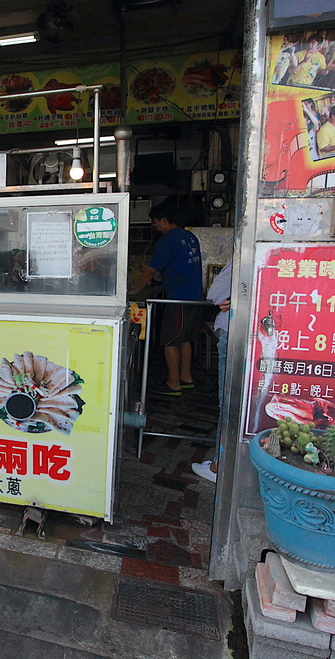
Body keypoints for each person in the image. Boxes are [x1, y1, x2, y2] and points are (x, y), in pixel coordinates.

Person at [129, 198, 203, 396]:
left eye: (155, 223)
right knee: (185, 339)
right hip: (195, 297)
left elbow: (150, 270)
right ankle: (186, 378)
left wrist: (135, 290)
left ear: (163, 220)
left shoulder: (168, 240)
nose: (155, 227)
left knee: (170, 341)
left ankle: (173, 383)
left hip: (177, 299)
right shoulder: (190, 237)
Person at [192, 261, 232, 484]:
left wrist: (235, 299)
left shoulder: (243, 259)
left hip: (235, 331)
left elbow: (215, 293)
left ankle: (219, 466)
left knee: (228, 402)